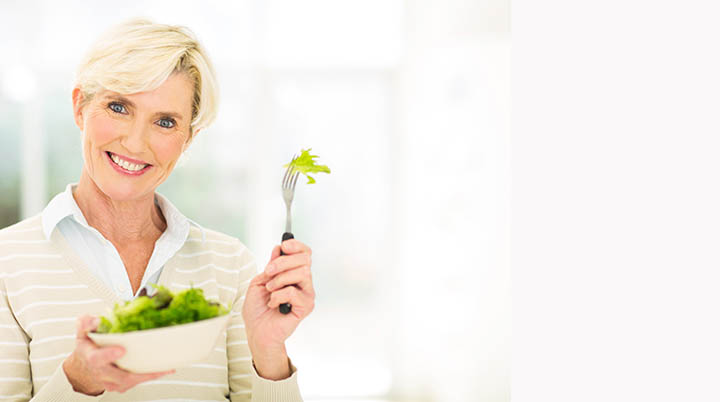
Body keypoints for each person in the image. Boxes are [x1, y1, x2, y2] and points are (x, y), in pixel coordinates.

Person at [0, 18, 314, 401]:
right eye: (118, 107)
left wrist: (268, 351)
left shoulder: (229, 266)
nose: (135, 142)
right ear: (80, 106)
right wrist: (78, 383)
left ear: (187, 139)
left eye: (165, 122)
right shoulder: (8, 262)